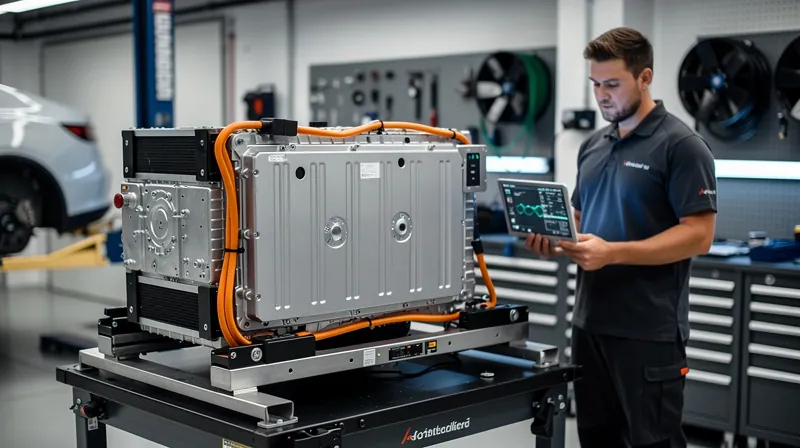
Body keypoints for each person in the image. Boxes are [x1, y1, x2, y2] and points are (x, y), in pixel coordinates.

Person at [525, 27, 718, 448]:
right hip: (590, 325)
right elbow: (580, 222)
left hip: (649, 332)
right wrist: (554, 241)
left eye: (612, 84)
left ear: (645, 77)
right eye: (596, 84)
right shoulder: (593, 146)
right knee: (596, 438)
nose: (601, 95)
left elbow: (700, 235)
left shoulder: (682, 146)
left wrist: (613, 254)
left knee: (653, 442)